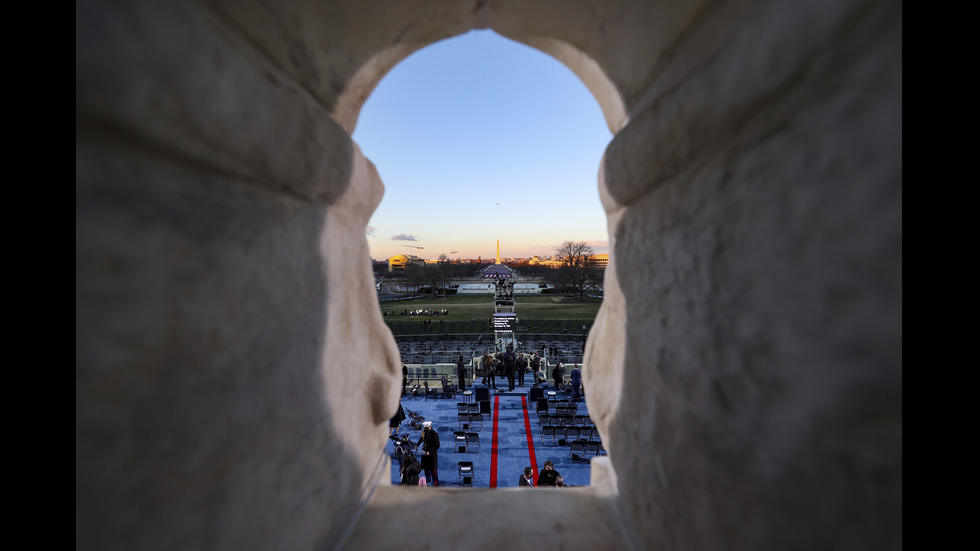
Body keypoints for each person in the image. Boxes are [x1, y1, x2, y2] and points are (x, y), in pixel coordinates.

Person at [416, 421, 440, 486]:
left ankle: (435, 482)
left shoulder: (434, 434)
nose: (424, 429)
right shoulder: (424, 432)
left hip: (431, 454)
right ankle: (428, 478)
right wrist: (417, 445)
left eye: (426, 428)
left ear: (429, 427)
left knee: (433, 469)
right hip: (425, 452)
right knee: (426, 467)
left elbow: (437, 445)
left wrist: (430, 452)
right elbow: (421, 438)